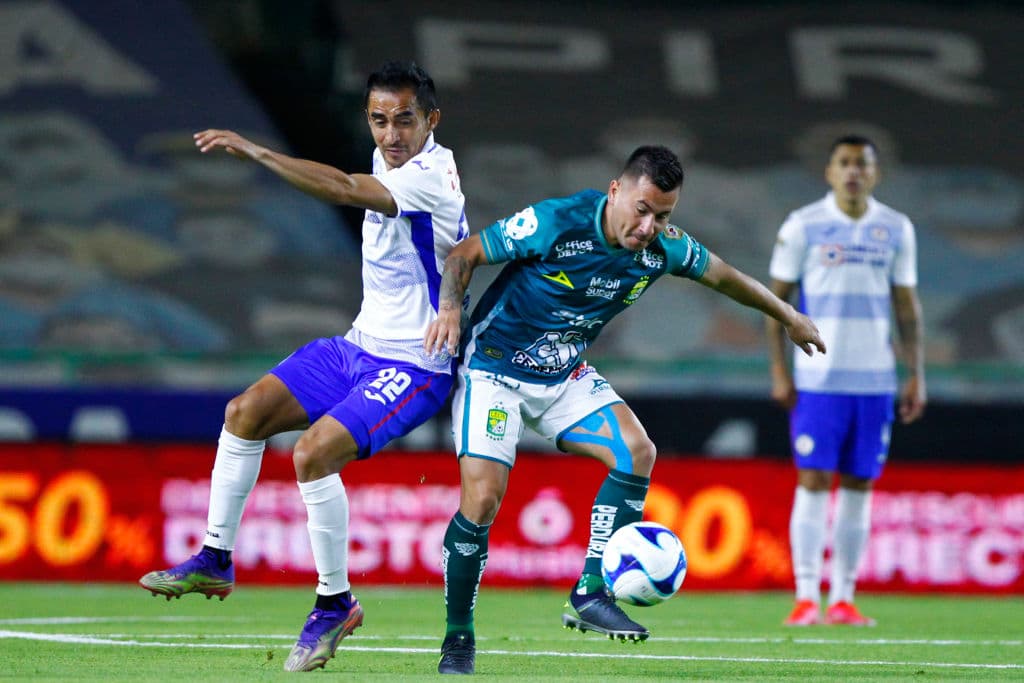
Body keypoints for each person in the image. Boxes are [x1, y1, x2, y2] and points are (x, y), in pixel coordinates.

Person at [423, 145, 827, 674]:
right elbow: (464, 253)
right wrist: (450, 308)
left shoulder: (664, 248)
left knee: (636, 451)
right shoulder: (556, 222)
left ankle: (591, 592)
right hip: (494, 371)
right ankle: (458, 639)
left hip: (562, 373)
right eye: (642, 209)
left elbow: (726, 277)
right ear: (616, 190)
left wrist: (789, 314)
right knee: (483, 499)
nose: (649, 225)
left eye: (663, 216)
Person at [138, 61, 469, 672]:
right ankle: (214, 558)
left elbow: (343, 190)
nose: (391, 134)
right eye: (379, 120)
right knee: (245, 412)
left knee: (312, 452)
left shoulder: (430, 177)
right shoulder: (391, 158)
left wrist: (258, 153)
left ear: (432, 121)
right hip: (357, 347)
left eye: (405, 120)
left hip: (416, 365)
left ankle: (333, 602)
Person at [766, 134, 926, 627]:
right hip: (819, 378)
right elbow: (775, 304)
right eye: (844, 163)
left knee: (860, 485)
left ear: (875, 173)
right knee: (813, 481)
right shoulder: (804, 226)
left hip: (875, 380)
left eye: (862, 163)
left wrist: (916, 374)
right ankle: (806, 595)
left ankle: (844, 599)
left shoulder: (896, 228)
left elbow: (906, 306)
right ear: (829, 172)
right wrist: (778, 370)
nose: (854, 171)